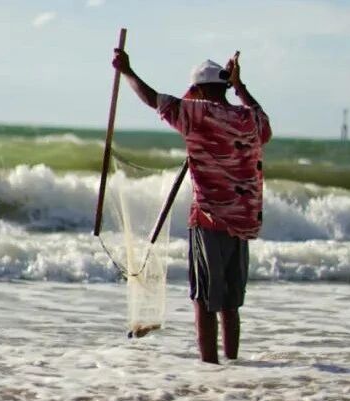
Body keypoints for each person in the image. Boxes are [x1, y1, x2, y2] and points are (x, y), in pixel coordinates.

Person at [112, 48, 272, 364]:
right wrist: (238, 85)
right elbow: (259, 115)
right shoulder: (250, 119)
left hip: (210, 218)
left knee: (204, 300)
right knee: (229, 303)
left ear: (197, 90)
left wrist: (127, 71)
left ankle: (210, 369)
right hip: (242, 221)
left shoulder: (197, 115)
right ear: (225, 88)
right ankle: (233, 365)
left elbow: (152, 98)